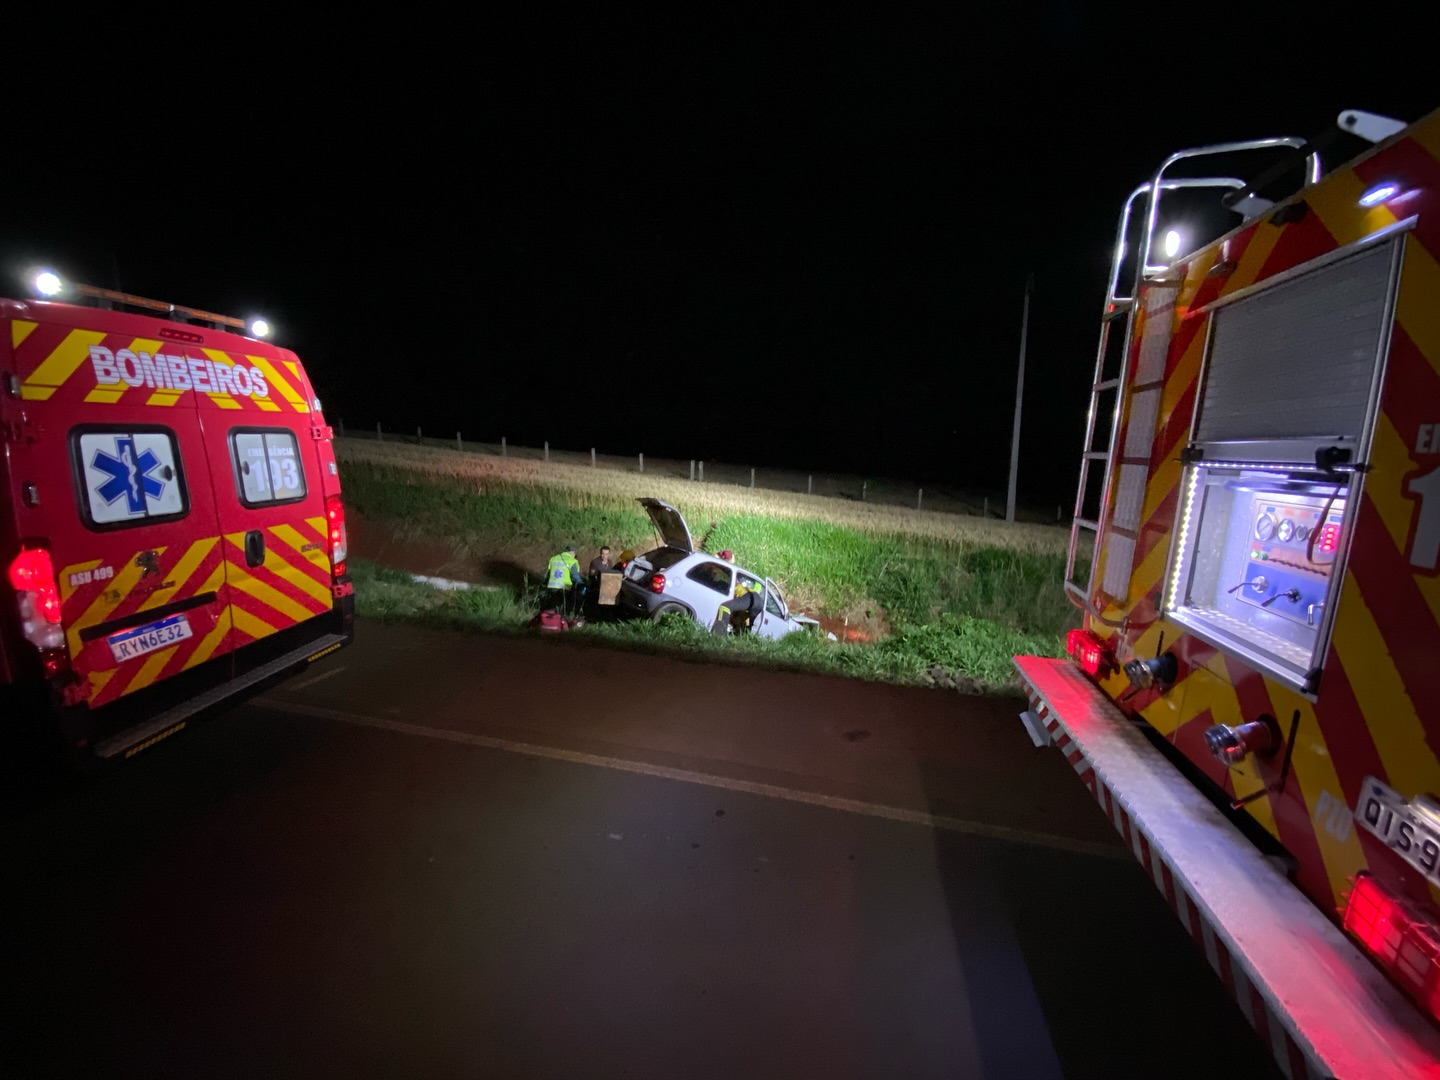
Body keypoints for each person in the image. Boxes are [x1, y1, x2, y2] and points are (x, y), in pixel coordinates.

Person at [543, 544, 585, 617]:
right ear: (573, 553)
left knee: (553, 604)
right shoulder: (572, 561)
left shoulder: (553, 558)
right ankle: (562, 619)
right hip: (564, 586)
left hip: (552, 586)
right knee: (564, 605)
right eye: (575, 554)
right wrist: (582, 584)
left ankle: (549, 619)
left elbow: (546, 575)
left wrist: (544, 584)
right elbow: (575, 576)